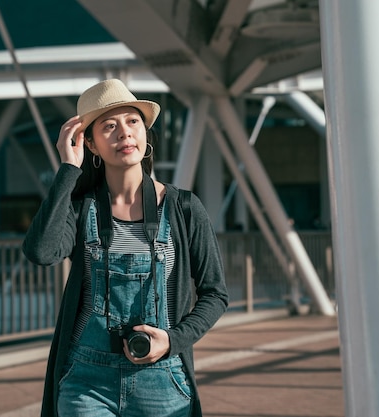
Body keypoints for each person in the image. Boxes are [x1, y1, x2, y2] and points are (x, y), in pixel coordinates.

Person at [22, 78, 229, 417]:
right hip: (86, 381)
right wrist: (67, 171)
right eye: (109, 126)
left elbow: (216, 294)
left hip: (163, 378)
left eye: (132, 121)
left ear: (145, 134)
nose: (124, 133)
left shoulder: (184, 208)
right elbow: (41, 252)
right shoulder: (80, 208)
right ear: (90, 144)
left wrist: (173, 340)